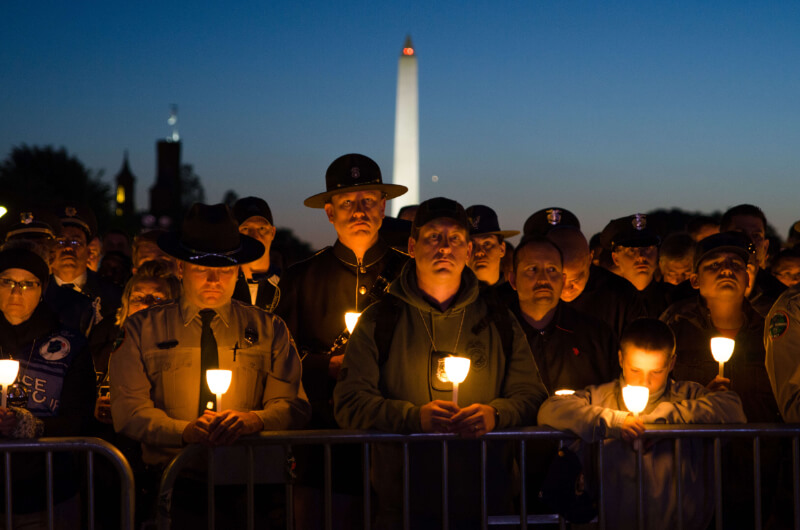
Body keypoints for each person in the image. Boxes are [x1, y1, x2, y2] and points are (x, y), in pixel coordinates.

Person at [334, 197, 547, 528]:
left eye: (455, 238)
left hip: (487, 503)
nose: (444, 247)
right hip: (402, 507)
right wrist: (413, 418)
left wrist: (496, 414)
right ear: (412, 245)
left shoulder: (498, 319)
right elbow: (349, 402)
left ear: (468, 250)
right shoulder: (380, 320)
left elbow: (532, 394)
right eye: (433, 236)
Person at [109, 203, 311, 526]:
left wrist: (254, 421)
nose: (215, 279)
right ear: (180, 267)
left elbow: (294, 405)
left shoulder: (270, 330)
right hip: (173, 486)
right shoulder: (141, 330)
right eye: (203, 266)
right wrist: (184, 432)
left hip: (250, 490)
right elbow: (128, 410)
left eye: (227, 267)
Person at [277, 154, 409, 528]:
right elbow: (279, 356)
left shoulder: (410, 274)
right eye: (347, 203)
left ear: (383, 208)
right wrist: (325, 366)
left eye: (368, 201)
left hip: (395, 436)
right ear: (329, 213)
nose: (359, 211)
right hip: (322, 440)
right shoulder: (301, 277)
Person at [537, 318, 746, 530]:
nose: (644, 381)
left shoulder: (687, 395)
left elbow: (732, 407)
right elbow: (551, 409)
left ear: (671, 363)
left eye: (656, 372)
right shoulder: (599, 397)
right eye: (635, 370)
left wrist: (661, 421)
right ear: (620, 359)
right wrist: (615, 422)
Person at [0, 244, 96, 528]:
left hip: (48, 492)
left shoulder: (69, 346)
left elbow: (80, 417)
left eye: (27, 284)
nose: (17, 292)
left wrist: (34, 427)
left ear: (42, 290)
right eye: (7, 282)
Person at [507, 234, 618, 393]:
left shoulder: (597, 336)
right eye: (532, 269)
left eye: (552, 269)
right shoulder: (497, 335)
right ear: (513, 280)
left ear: (563, 279)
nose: (543, 279)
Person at [51, 203, 122, 324]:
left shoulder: (112, 295)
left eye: (75, 242)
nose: (68, 248)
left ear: (88, 251)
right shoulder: (38, 292)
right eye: (61, 242)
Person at [602, 213, 673, 319]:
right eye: (631, 250)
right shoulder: (605, 303)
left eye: (648, 248)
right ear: (616, 258)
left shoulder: (674, 300)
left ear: (657, 253)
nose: (641, 256)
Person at [231, 196, 280, 312]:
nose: (255, 237)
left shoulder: (287, 286)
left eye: (262, 228)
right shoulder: (221, 286)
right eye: (246, 229)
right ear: (233, 234)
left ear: (272, 233)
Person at [465, 204, 518, 287]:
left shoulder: (519, 296)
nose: (479, 252)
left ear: (502, 249)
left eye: (486, 244)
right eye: (472, 246)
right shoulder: (450, 298)